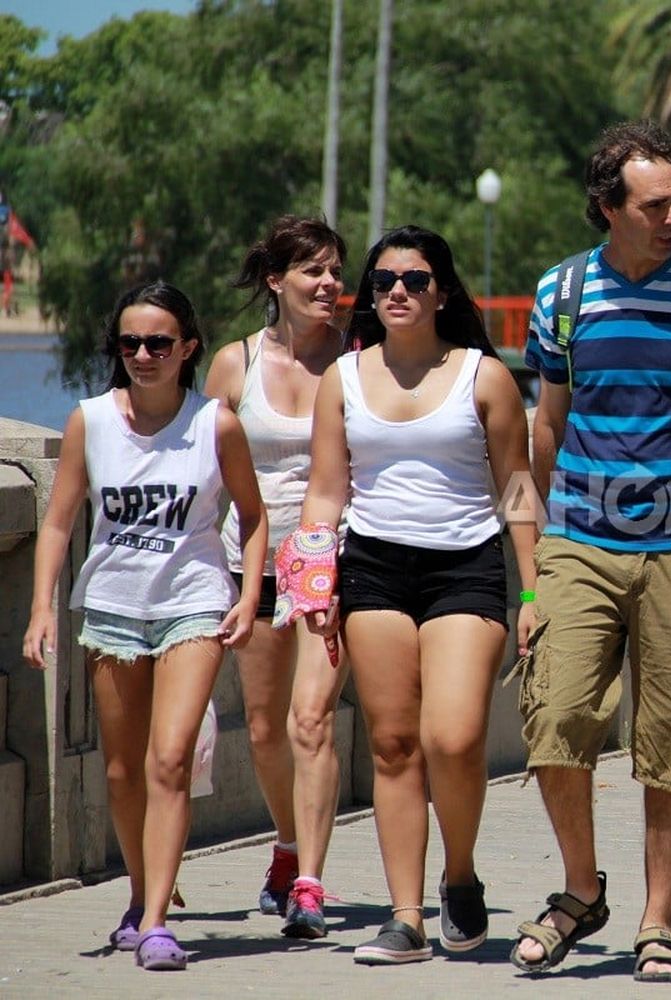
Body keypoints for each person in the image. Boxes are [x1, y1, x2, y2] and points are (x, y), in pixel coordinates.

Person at [512, 119, 671, 983]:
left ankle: (658, 921)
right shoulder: (561, 293)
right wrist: (537, 548)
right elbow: (545, 423)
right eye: (654, 205)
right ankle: (582, 892)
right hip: (578, 540)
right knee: (555, 716)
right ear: (607, 208)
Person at [298, 224, 539, 965]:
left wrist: (534, 596)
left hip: (464, 567)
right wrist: (316, 582)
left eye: (415, 279)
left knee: (455, 736)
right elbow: (325, 492)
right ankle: (406, 917)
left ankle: (459, 875)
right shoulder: (344, 377)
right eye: (383, 281)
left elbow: (519, 491)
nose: (397, 291)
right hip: (374, 568)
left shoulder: (482, 376)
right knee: (395, 744)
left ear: (442, 292)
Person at [22, 281, 267, 971]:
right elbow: (60, 520)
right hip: (113, 611)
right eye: (129, 342)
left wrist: (247, 598)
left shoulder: (215, 423)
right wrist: (42, 606)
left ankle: (157, 922)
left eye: (159, 342)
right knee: (124, 771)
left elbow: (252, 517)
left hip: (193, 603)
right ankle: (141, 893)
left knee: (169, 761)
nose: (143, 354)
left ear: (188, 347)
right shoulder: (91, 421)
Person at [202, 216, 349, 937]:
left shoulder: (358, 360)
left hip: (332, 563)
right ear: (275, 280)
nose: (329, 285)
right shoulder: (236, 364)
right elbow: (202, 476)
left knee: (310, 720)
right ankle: (287, 847)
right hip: (249, 562)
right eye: (313, 272)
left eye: (335, 272)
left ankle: (312, 884)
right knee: (264, 729)